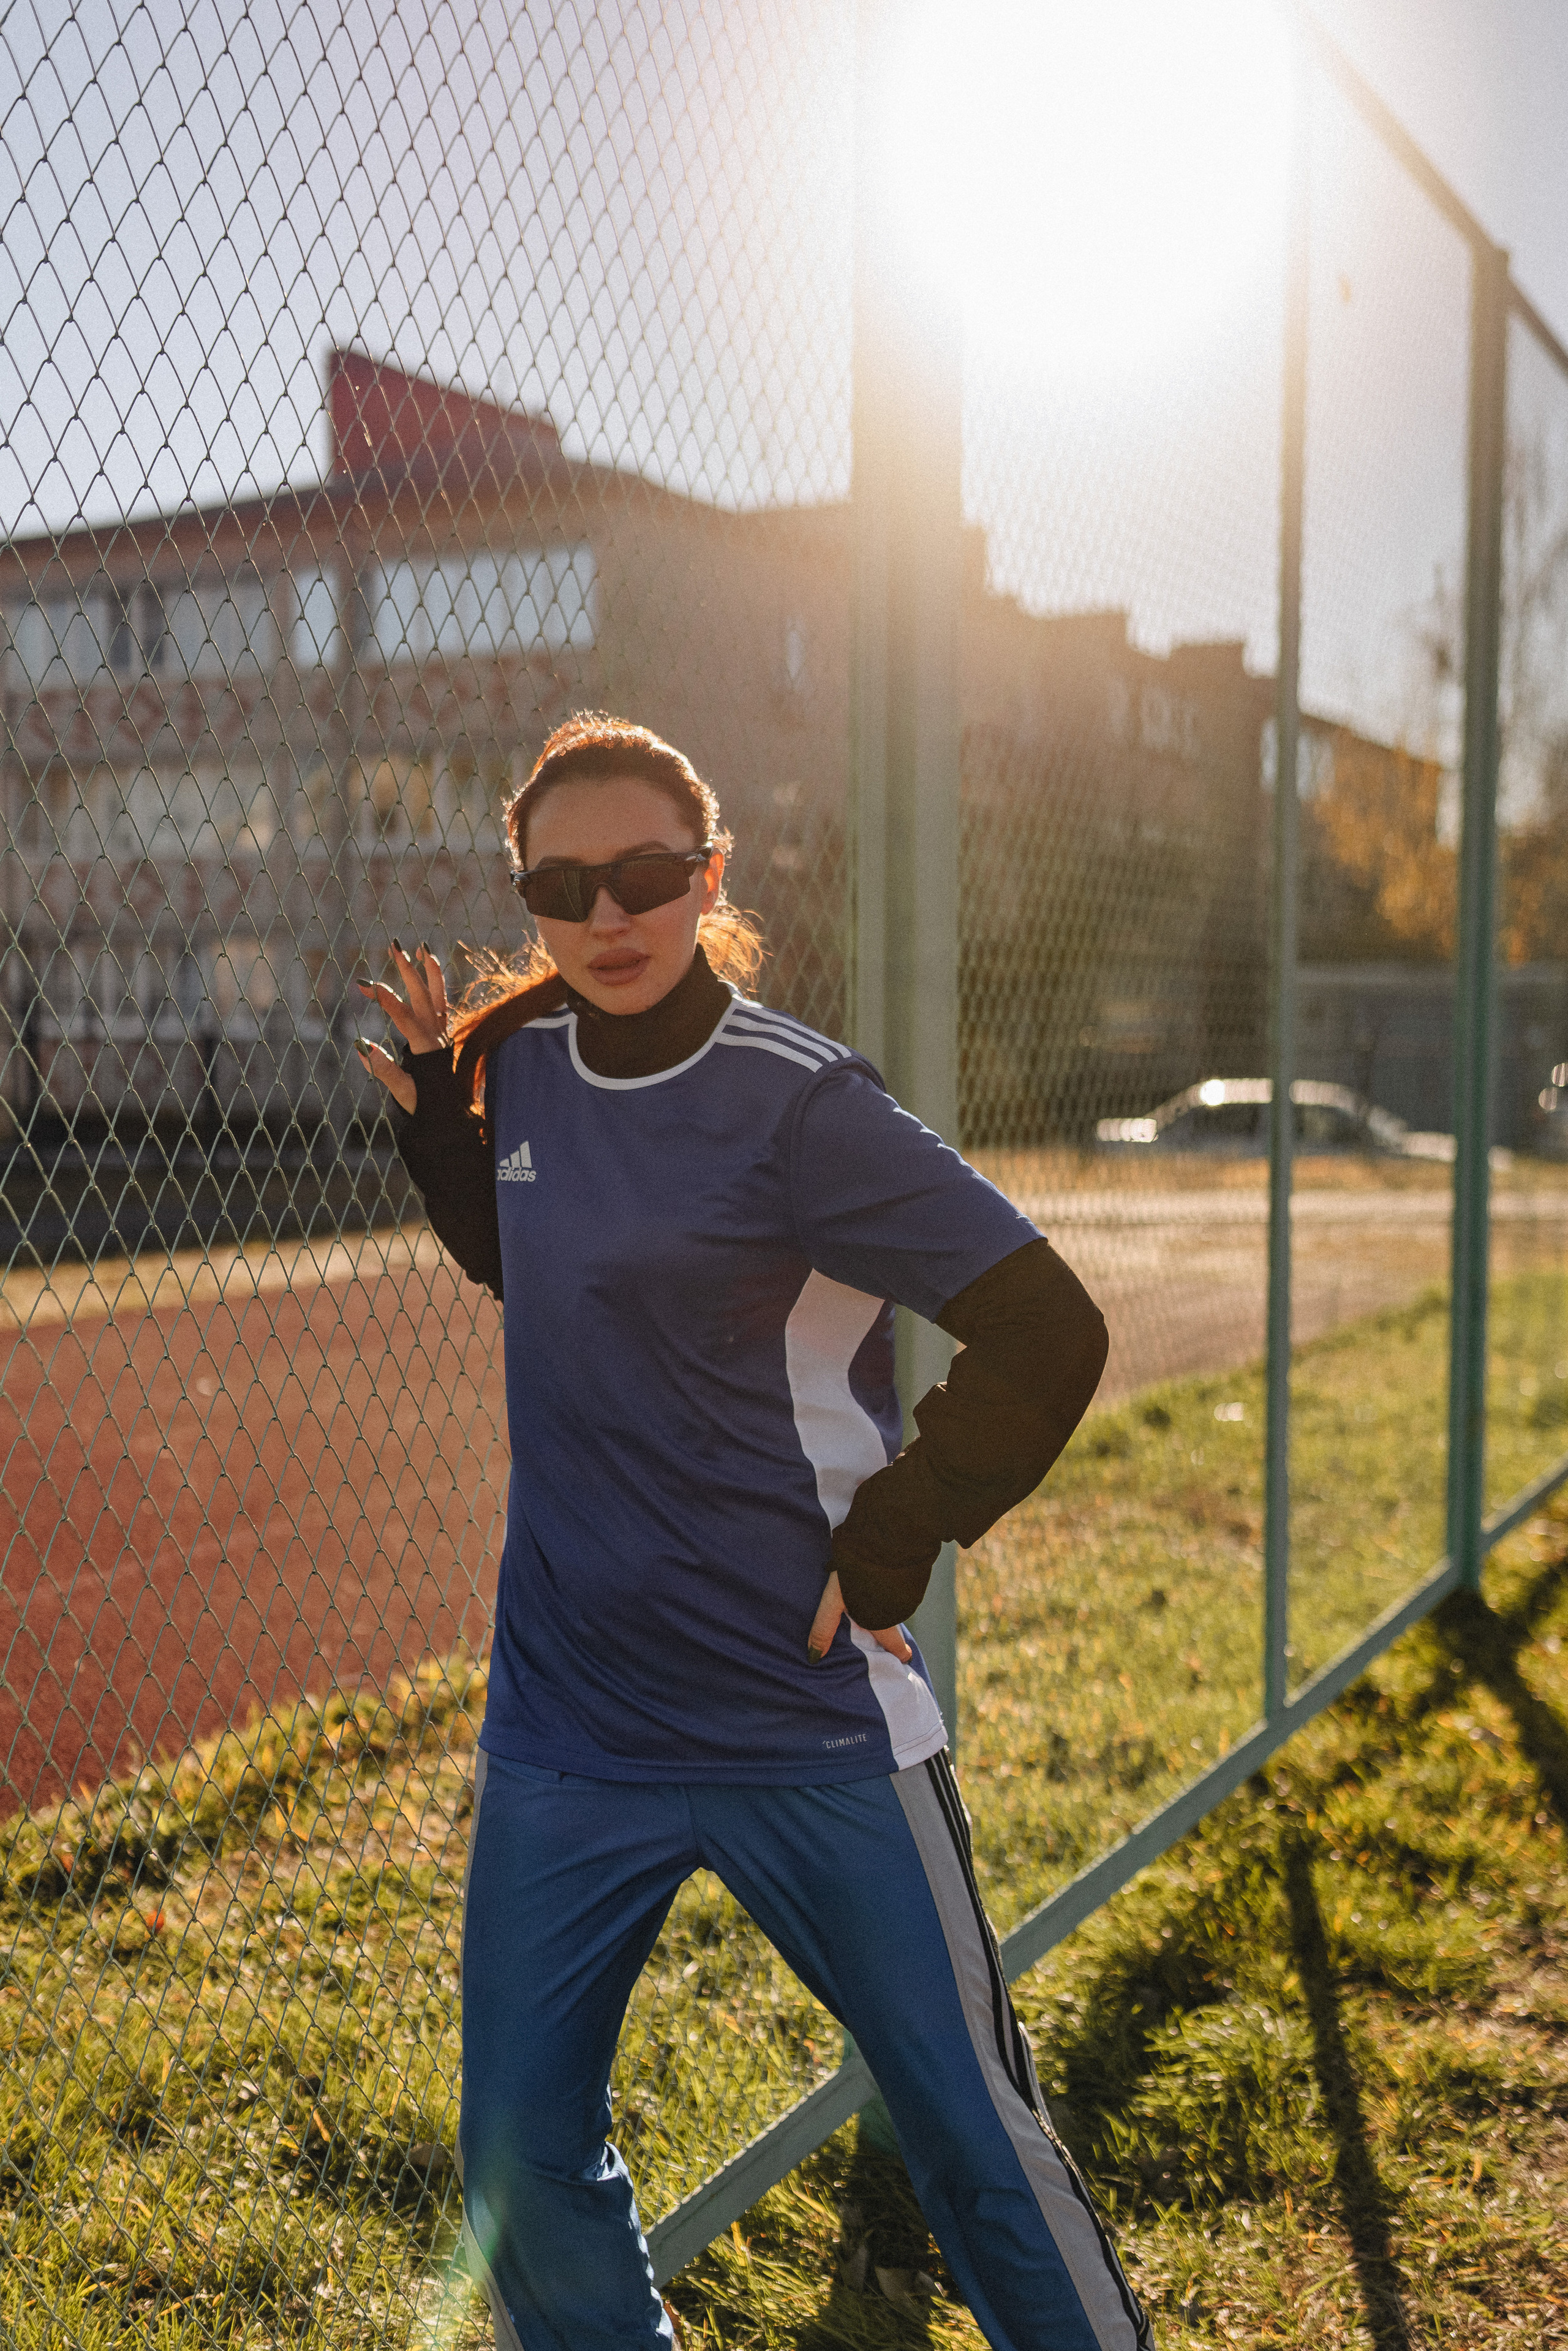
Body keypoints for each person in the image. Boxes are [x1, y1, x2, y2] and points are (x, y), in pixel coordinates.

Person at [355, 713, 1153, 2351]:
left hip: (807, 1722)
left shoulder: (802, 1105)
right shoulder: (523, 1069)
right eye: (564, 885)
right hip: (569, 1722)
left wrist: (900, 1530)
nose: (609, 913)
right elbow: (558, 1275)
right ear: (532, 902)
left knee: (969, 2139)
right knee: (516, 2148)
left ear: (707, 875)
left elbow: (1048, 1328)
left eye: (646, 873)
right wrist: (446, 1138)